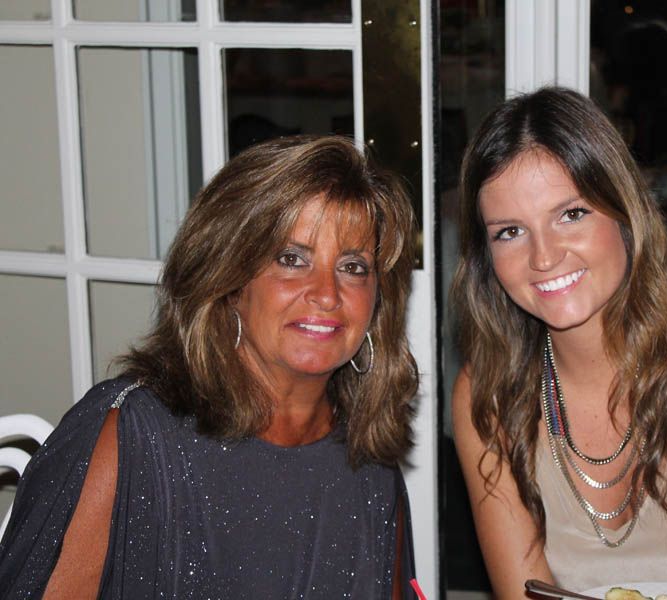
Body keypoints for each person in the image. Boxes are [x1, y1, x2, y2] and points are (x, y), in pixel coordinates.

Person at [0, 135, 419, 599]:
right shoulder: (130, 438)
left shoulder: (370, 469)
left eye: (353, 266)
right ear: (228, 280)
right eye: (291, 259)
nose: (326, 293)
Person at [450, 87, 667, 596]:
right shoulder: (487, 396)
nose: (544, 257)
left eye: (571, 214)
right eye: (510, 231)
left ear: (624, 210)